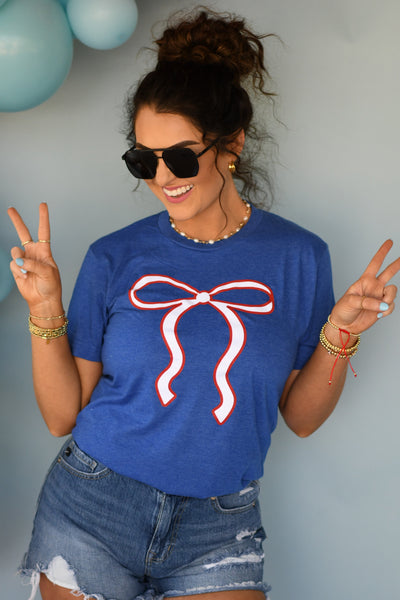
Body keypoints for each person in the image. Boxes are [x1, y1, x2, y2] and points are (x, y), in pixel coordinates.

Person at [7, 8, 400, 600]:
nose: (164, 177)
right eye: (145, 161)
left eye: (183, 156)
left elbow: (301, 417)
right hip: (93, 505)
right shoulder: (113, 257)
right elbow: (62, 415)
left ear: (232, 143)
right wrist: (44, 309)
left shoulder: (299, 258)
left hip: (219, 525)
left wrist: (341, 332)